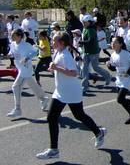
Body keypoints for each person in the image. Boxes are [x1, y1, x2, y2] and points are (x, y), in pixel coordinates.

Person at [36, 32, 106, 160]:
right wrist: (53, 67)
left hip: (71, 91)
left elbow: (74, 73)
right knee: (52, 117)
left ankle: (98, 132)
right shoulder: (58, 52)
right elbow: (59, 67)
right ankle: (54, 150)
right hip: (61, 91)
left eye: (54, 41)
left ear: (61, 43)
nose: (52, 42)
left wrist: (57, 68)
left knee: (79, 115)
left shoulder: (66, 55)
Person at [6, 29, 49, 117]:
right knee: (33, 85)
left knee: (15, 86)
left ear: (19, 36)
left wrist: (27, 58)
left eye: (13, 35)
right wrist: (9, 54)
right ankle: (43, 98)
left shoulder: (26, 45)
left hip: (25, 69)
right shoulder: (13, 44)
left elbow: (35, 51)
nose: (11, 37)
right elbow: (12, 52)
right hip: (20, 68)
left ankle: (17, 109)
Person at [106, 36, 130, 124]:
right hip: (119, 78)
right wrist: (109, 66)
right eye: (112, 42)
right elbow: (114, 68)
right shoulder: (113, 55)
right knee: (122, 100)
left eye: (115, 42)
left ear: (121, 44)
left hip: (127, 79)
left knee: (119, 99)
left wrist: (128, 73)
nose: (112, 44)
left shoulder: (126, 54)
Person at [79, 15, 111, 92]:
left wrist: (81, 42)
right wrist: (81, 42)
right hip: (85, 52)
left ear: (89, 22)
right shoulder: (85, 29)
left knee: (95, 68)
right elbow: (84, 39)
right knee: (84, 69)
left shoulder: (92, 30)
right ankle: (85, 87)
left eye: (85, 22)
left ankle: (107, 75)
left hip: (93, 52)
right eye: (83, 22)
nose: (83, 23)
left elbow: (89, 41)